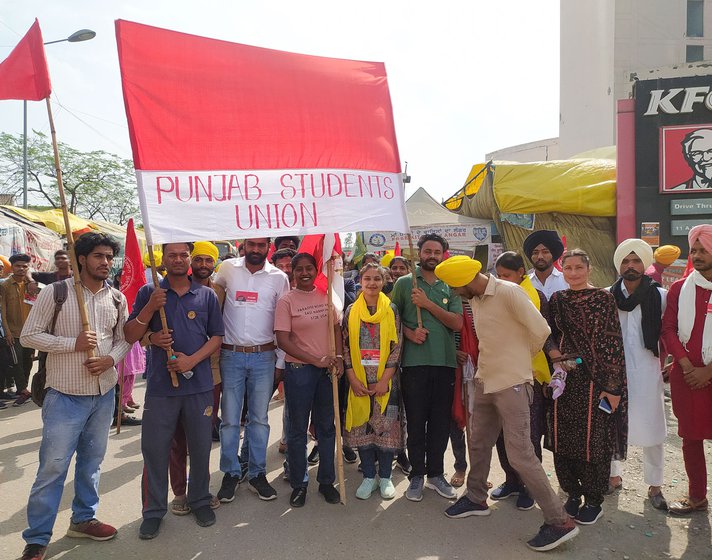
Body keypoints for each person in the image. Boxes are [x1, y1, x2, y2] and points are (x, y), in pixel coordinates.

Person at [435, 256, 579, 552]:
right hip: (486, 379)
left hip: (513, 383)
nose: (455, 293)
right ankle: (475, 497)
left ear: (465, 281)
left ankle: (558, 520)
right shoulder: (475, 298)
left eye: (455, 288)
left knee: (520, 454)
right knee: (478, 441)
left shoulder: (509, 292)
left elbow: (540, 330)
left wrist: (517, 358)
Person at [19, 233, 131, 560]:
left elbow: (124, 340)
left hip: (103, 394)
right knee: (52, 468)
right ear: (81, 259)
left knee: (92, 463)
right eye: (98, 256)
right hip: (64, 396)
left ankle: (83, 518)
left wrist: (110, 358)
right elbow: (29, 336)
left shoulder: (116, 298)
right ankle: (37, 539)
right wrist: (73, 343)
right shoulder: (55, 293)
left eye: (109, 257)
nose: (105, 262)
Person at [125, 241, 224, 540]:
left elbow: (217, 336)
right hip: (160, 387)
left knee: (200, 447)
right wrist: (152, 329)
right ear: (163, 259)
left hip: (199, 385)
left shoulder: (206, 294)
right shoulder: (149, 292)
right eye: (173, 255)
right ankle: (153, 512)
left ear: (190, 259)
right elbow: (131, 334)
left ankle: (199, 500)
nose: (179, 259)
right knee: (155, 451)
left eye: (184, 255)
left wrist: (191, 360)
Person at [547, 249, 627, 525]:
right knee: (563, 437)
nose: (573, 273)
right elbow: (548, 335)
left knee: (594, 440)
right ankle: (572, 493)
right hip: (566, 378)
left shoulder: (603, 298)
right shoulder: (557, 300)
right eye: (568, 268)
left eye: (578, 267)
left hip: (597, 380)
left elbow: (613, 342)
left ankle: (594, 500)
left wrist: (613, 387)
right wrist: (554, 354)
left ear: (588, 269)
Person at [214, 237, 290, 503]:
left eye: (261, 245)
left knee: (259, 420)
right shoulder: (226, 270)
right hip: (231, 355)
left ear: (268, 246)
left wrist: (280, 361)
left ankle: (257, 473)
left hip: (264, 357)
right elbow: (213, 303)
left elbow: (283, 321)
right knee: (230, 420)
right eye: (251, 244)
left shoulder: (279, 278)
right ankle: (231, 473)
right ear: (243, 245)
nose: (255, 250)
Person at [391, 233, 463, 502]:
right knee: (416, 421)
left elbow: (457, 323)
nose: (432, 255)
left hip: (444, 363)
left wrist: (428, 304)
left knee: (440, 423)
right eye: (427, 251)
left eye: (437, 251)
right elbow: (391, 317)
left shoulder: (450, 284)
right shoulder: (404, 282)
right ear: (418, 253)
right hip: (414, 363)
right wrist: (410, 334)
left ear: (444, 254)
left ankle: (436, 474)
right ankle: (417, 475)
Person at [159, 241, 225, 515]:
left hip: (210, 374)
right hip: (170, 375)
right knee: (176, 439)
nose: (202, 265)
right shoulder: (159, 292)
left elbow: (218, 335)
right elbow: (139, 334)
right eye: (197, 259)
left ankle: (201, 491)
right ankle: (179, 492)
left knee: (201, 437)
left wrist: (194, 360)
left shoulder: (217, 291)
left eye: (208, 261)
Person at [274, 252, 343, 508]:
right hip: (300, 370)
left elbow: (336, 328)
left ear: (316, 271)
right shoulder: (286, 301)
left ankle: (326, 481)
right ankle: (299, 483)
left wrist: (339, 357)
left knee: (326, 428)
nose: (304, 273)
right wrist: (315, 359)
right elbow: (283, 340)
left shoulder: (326, 296)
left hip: (327, 372)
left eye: (309, 269)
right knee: (297, 430)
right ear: (293, 272)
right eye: (299, 269)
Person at [489, 251, 553, 510]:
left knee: (527, 437)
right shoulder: (499, 296)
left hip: (530, 376)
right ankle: (512, 480)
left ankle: (530, 487)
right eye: (499, 276)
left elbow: (543, 335)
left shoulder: (535, 297)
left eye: (507, 276)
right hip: (502, 374)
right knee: (503, 435)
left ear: (520, 273)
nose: (502, 280)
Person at [608, 239, 668, 510]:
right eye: (625, 261)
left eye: (635, 261)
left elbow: (671, 331)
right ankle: (612, 476)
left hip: (647, 369)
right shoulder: (608, 296)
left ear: (645, 264)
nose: (630, 266)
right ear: (619, 265)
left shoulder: (660, 296)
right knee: (611, 423)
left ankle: (655, 485)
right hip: (614, 372)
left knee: (652, 426)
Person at [661, 225, 712, 515]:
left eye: (703, 249)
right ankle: (697, 497)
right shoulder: (681, 288)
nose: (697, 255)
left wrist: (707, 371)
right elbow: (668, 329)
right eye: (694, 250)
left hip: (705, 375)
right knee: (691, 438)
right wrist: (686, 365)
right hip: (686, 376)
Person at [343, 263, 402, 500]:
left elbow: (396, 347)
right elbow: (345, 346)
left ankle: (385, 477)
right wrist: (352, 378)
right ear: (360, 281)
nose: (372, 283)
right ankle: (368, 476)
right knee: (362, 427)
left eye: (377, 278)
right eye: (367, 278)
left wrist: (384, 380)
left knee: (385, 427)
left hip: (385, 381)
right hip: (358, 379)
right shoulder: (350, 311)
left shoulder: (391, 310)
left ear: (384, 280)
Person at [1, 253, 36, 406]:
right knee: (17, 362)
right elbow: (2, 310)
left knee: (28, 362)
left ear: (28, 267)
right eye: (18, 266)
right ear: (12, 267)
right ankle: (23, 390)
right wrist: (7, 332)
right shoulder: (5, 286)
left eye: (24, 266)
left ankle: (22, 389)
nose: (21, 269)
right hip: (13, 332)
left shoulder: (32, 285)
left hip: (30, 332)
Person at [523, 230, 569, 300]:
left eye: (545, 252)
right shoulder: (524, 284)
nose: (540, 256)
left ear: (553, 255)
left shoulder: (567, 281)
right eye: (535, 253)